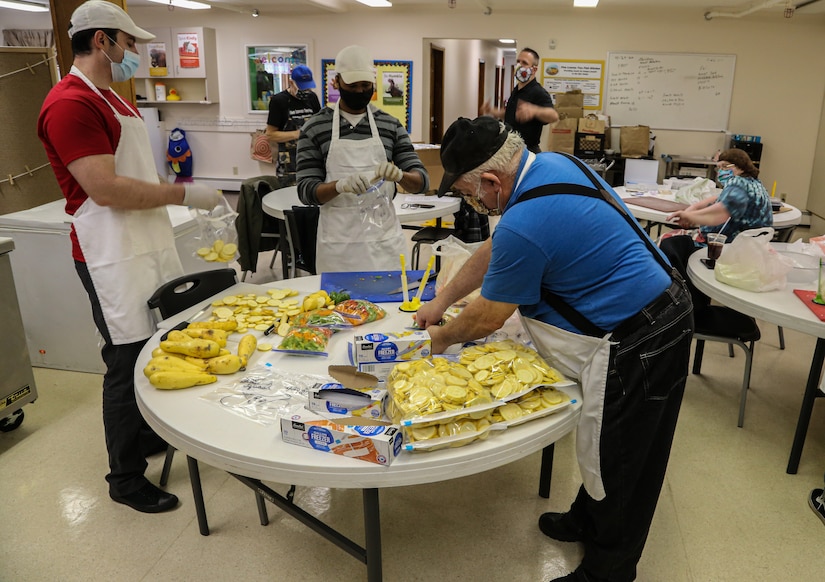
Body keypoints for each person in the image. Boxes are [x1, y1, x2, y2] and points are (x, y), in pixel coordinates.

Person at [416, 116, 694, 582]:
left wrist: (438, 338)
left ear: (491, 180)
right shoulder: (549, 166)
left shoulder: (526, 218)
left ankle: (609, 570)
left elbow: (489, 315)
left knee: (625, 459)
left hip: (645, 333)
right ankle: (586, 518)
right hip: (651, 311)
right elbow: (494, 248)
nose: (474, 202)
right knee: (608, 444)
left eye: (471, 193)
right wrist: (439, 302)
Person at [37, 0, 222, 514]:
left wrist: (180, 193)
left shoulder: (115, 100)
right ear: (103, 41)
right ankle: (124, 477)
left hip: (144, 242)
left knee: (153, 344)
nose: (134, 53)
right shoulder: (70, 104)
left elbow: (137, 175)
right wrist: (184, 195)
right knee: (123, 359)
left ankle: (144, 436)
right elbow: (105, 189)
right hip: (110, 253)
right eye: (130, 43)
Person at [296, 45, 429, 273]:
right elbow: (306, 191)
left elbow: (422, 182)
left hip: (384, 245)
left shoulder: (390, 125)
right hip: (339, 247)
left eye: (365, 85)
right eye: (352, 85)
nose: (359, 91)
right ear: (336, 82)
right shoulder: (315, 128)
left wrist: (400, 176)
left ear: (373, 84)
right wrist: (339, 185)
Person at [664, 148, 773, 244]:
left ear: (741, 166)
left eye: (725, 167)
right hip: (752, 246)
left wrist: (689, 216)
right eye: (719, 168)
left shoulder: (737, 182)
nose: (721, 171)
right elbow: (720, 198)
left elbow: (720, 213)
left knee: (665, 241)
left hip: (727, 245)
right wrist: (694, 207)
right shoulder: (755, 184)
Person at [480, 48, 558, 154]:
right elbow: (512, 114)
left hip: (527, 151)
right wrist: (494, 112)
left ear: (534, 69)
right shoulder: (517, 89)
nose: (519, 65)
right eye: (518, 61)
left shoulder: (538, 92)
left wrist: (534, 110)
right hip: (510, 147)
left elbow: (553, 116)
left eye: (524, 63)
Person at [265, 64, 322, 185]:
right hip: (288, 164)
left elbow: (318, 125)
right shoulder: (279, 101)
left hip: (310, 158)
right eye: (302, 87)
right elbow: (270, 135)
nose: (305, 91)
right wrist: (298, 134)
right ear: (291, 82)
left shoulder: (312, 98)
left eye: (308, 88)